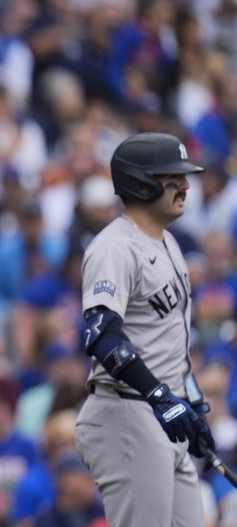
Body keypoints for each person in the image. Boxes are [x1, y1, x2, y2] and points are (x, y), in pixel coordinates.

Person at [75, 132, 216, 526]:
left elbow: (168, 339)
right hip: (127, 412)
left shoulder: (169, 244)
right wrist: (158, 394)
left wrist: (192, 403)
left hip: (161, 414)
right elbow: (101, 334)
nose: (185, 185)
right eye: (173, 176)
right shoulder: (114, 247)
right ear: (142, 182)